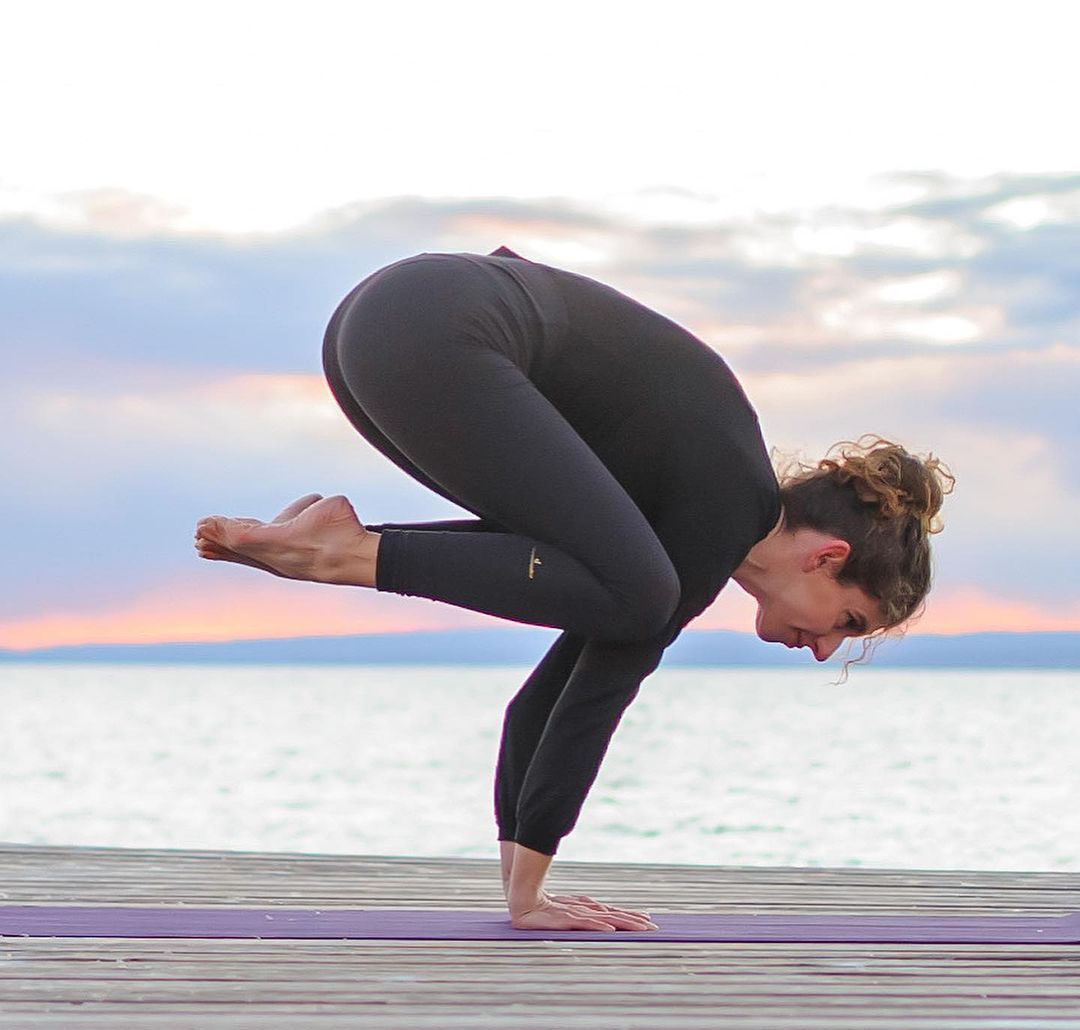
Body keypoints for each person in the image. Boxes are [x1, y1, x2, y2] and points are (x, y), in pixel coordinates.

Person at [194, 246, 952, 933]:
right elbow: (599, 694)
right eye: (847, 624)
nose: (823, 652)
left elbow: (547, 696)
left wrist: (520, 889)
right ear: (828, 557)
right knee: (638, 598)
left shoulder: (680, 522)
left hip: (384, 323)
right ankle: (344, 552)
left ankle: (339, 542)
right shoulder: (727, 505)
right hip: (438, 328)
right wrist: (532, 899)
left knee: (615, 588)